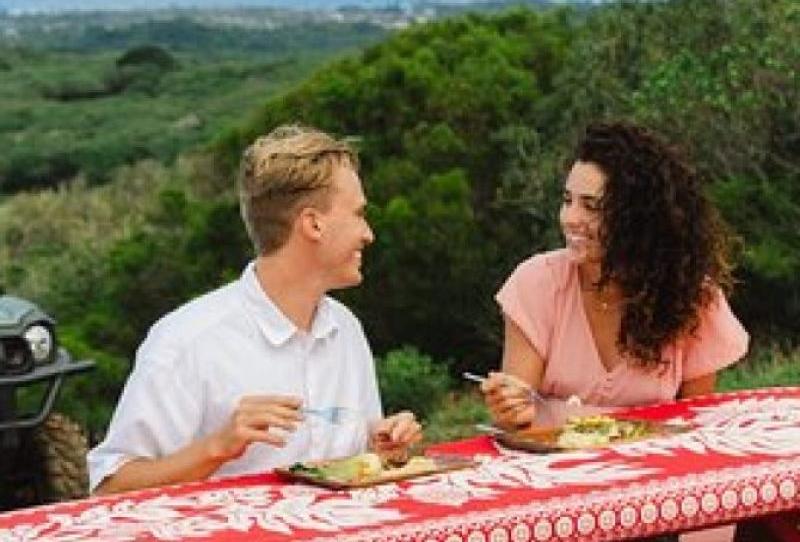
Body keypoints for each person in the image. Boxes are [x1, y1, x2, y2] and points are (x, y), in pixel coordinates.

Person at [88, 125, 422, 494]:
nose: (368, 233)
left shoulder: (346, 328)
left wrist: (382, 446)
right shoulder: (186, 341)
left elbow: (357, 469)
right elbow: (109, 489)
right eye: (359, 214)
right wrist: (216, 448)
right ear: (313, 223)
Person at [480, 121, 749, 542]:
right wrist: (510, 404)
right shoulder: (536, 284)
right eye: (568, 200)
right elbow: (518, 421)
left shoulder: (691, 299)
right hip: (560, 499)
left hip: (660, 500)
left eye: (593, 206)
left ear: (638, 218)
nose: (571, 218)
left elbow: (698, 436)